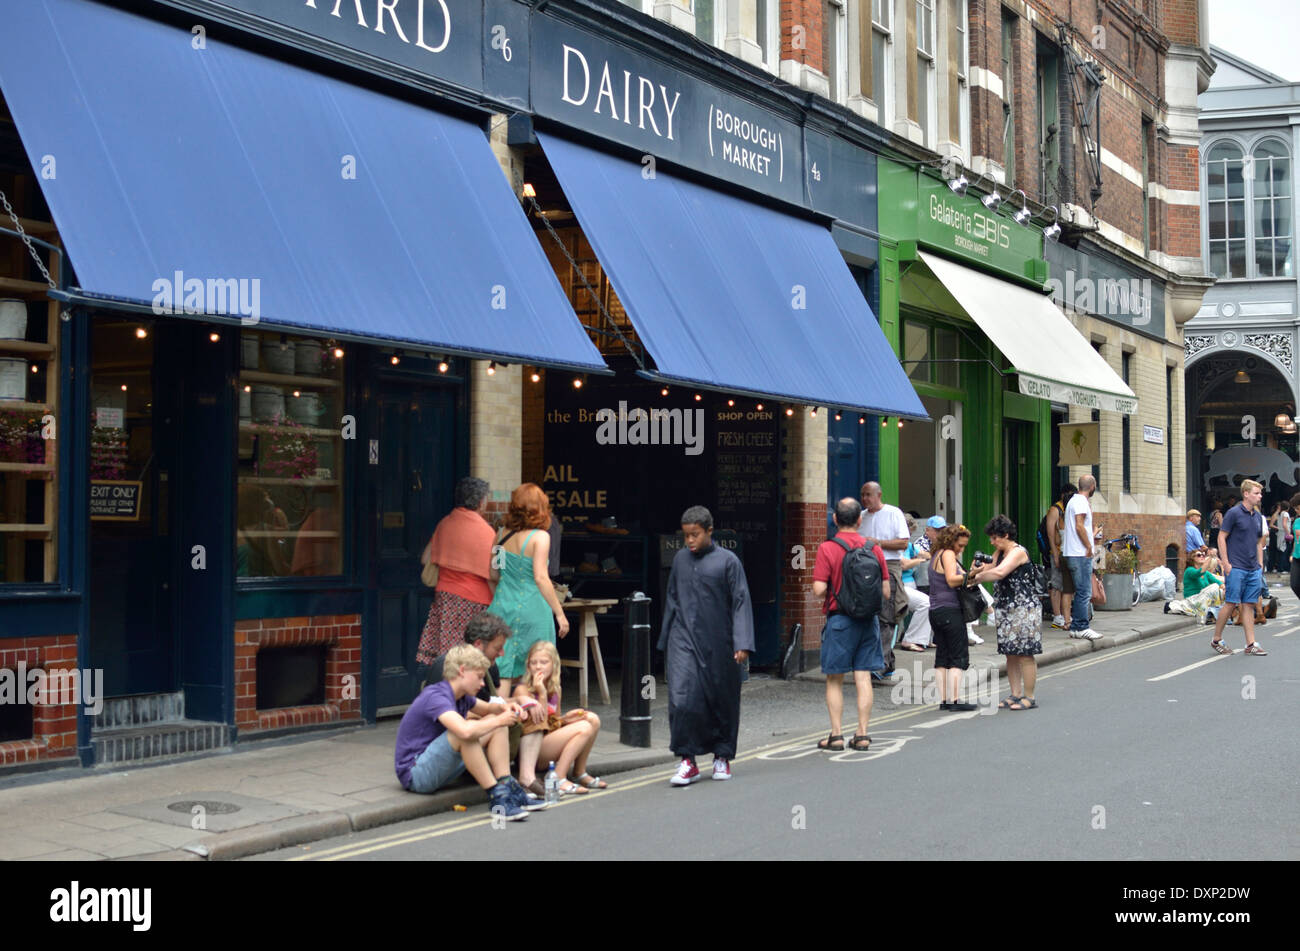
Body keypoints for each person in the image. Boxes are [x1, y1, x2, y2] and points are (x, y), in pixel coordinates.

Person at [659, 505, 755, 785]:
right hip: (683, 639)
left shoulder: (728, 561)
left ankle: (722, 756)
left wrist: (742, 642)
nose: (689, 541)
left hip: (720, 641)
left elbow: (740, 602)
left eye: (695, 535)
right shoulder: (679, 560)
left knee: (721, 699)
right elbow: (672, 599)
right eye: (686, 535)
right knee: (681, 700)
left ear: (709, 531)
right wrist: (667, 639)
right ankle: (687, 760)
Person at [393, 644, 535, 820]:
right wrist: (499, 719)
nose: (483, 683)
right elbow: (464, 731)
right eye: (479, 676)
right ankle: (497, 797)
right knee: (464, 733)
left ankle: (508, 789)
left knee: (496, 725)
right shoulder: (436, 696)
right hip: (416, 774)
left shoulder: (462, 697)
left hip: (434, 766)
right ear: (462, 671)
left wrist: (507, 707)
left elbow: (490, 708)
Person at [812, 498, 889, 752]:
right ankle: (863, 734)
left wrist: (837, 594)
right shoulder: (873, 548)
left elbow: (818, 589)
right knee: (863, 676)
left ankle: (836, 736)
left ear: (835, 519)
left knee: (835, 679)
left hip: (840, 621)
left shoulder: (827, 548)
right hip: (868, 621)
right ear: (859, 520)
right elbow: (886, 592)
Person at [488, 484, 571, 696]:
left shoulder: (499, 535)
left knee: (504, 667)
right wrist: (560, 613)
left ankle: (502, 723)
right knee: (537, 667)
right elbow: (541, 578)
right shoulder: (540, 537)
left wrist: (503, 594)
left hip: (502, 606)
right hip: (533, 608)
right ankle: (535, 722)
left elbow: (493, 574)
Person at [416, 477, 497, 665]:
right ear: (480, 502)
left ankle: (447, 691)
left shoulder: (445, 523)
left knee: (448, 657)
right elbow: (494, 575)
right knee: (472, 658)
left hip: (445, 598)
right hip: (475, 601)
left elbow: (425, 558)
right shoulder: (487, 532)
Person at [511, 639, 605, 797]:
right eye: (534, 663)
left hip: (548, 743)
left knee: (592, 719)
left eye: (544, 662)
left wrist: (565, 719)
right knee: (584, 728)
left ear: (554, 664)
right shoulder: (522, 690)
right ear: (528, 666)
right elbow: (538, 723)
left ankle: (579, 772)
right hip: (531, 751)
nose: (538, 666)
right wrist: (540, 693)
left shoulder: (556, 689)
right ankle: (559, 777)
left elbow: (552, 724)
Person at [969, 515, 1041, 710]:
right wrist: (974, 570)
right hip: (1006, 608)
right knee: (1010, 653)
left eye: (994, 538)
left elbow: (1000, 572)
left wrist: (978, 578)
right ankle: (1015, 694)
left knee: (1025, 653)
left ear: (1006, 535)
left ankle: (1029, 696)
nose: (992, 542)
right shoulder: (998, 552)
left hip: (1024, 608)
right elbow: (988, 567)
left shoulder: (1017, 552)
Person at [1210, 479, 1269, 656]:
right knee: (1231, 603)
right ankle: (1216, 639)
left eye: (1260, 493)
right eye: (1256, 493)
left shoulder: (1258, 516)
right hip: (1236, 566)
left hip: (1253, 568)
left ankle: (1251, 644)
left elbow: (1259, 542)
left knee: (1249, 605)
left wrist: (1260, 565)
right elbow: (1221, 537)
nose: (1260, 496)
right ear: (1246, 494)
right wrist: (1226, 563)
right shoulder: (1233, 513)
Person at [858, 481, 911, 675]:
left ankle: (880, 664)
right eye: (862, 495)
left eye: (868, 495)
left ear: (879, 495)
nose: (865, 499)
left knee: (885, 616)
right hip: (866, 568)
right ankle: (886, 662)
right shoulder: (861, 517)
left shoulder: (893, 513)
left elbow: (903, 543)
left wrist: (878, 543)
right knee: (870, 615)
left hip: (889, 567)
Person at [928, 524, 977, 711]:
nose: (961, 549)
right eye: (960, 545)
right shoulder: (948, 554)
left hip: (936, 612)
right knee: (957, 656)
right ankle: (955, 700)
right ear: (951, 541)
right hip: (950, 610)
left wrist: (969, 574)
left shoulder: (937, 554)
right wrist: (973, 574)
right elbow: (951, 579)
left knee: (942, 656)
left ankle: (945, 700)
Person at [1062, 474, 1102, 641]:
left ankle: (1076, 628)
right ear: (1092, 486)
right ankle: (1081, 627)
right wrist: (1088, 546)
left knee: (1080, 591)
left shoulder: (1074, 500)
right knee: (1084, 591)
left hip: (1074, 553)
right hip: (1079, 553)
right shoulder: (1080, 502)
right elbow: (1079, 525)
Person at [897, 514, 932, 651]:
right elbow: (904, 565)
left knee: (931, 600)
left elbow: (927, 555)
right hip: (900, 585)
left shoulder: (910, 546)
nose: (908, 538)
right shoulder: (895, 546)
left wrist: (922, 555)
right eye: (907, 534)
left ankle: (925, 639)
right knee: (926, 603)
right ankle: (911, 640)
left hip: (911, 585)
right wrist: (918, 560)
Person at [1045, 484, 1077, 629]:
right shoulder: (1055, 510)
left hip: (1067, 553)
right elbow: (1051, 535)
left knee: (1067, 587)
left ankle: (1065, 616)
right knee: (1057, 585)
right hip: (1058, 553)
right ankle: (1057, 616)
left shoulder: (1068, 509)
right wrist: (1055, 554)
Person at [1164, 548, 1223, 620]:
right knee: (1214, 587)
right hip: (1193, 599)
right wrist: (1210, 557)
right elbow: (1199, 573)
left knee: (1221, 590)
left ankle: (1216, 613)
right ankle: (1209, 613)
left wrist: (1224, 588)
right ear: (1192, 558)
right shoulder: (1189, 570)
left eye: (1203, 555)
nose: (1202, 556)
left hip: (1202, 599)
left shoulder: (1206, 573)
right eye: (1199, 555)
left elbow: (1217, 582)